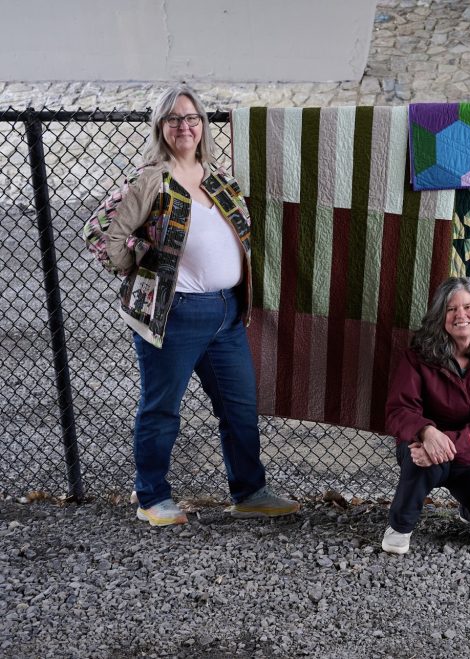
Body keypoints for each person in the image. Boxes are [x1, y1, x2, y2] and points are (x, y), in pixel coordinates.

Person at [83, 84, 299, 526]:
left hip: (226, 314)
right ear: (161, 128)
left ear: (202, 126)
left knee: (239, 407)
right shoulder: (151, 179)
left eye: (192, 118)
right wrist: (137, 263)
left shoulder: (220, 181)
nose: (185, 126)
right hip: (175, 314)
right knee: (162, 408)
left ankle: (249, 491)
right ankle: (152, 498)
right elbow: (101, 233)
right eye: (174, 119)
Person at [381, 277, 470, 554]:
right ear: (439, 317)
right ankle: (399, 526)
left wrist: (447, 442)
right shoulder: (417, 356)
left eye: (468, 307)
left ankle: (469, 506)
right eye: (451, 309)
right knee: (420, 458)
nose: (461, 315)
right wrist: (427, 432)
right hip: (423, 448)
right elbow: (399, 410)